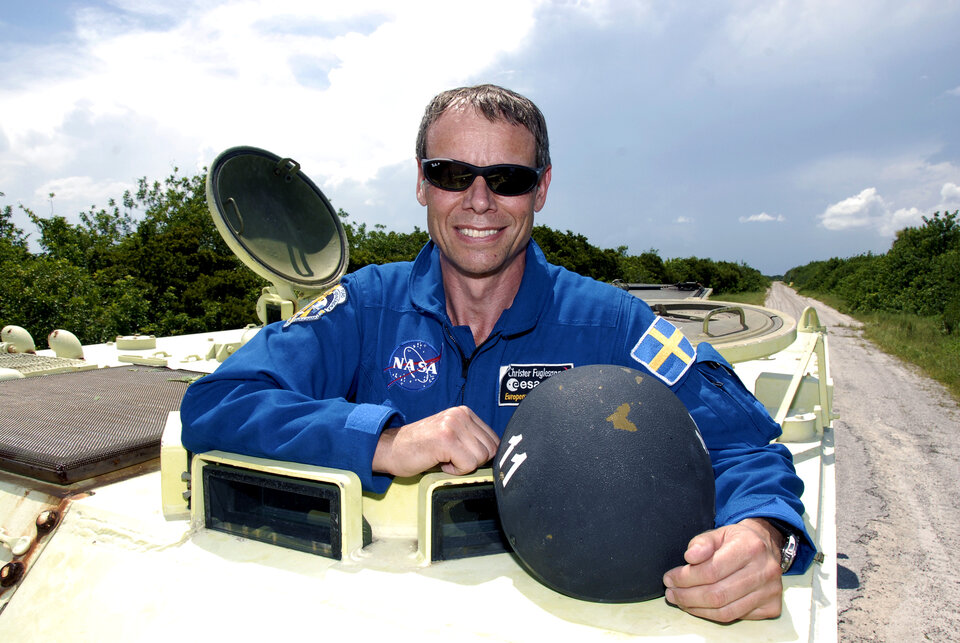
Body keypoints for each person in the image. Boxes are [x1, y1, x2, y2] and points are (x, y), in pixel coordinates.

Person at [181, 84, 814, 623]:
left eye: (507, 179)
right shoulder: (364, 306)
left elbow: (742, 444)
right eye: (453, 174)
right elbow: (218, 402)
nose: (479, 200)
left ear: (540, 190)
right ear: (423, 184)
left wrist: (764, 534)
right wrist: (382, 441)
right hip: (380, 612)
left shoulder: (613, 323)